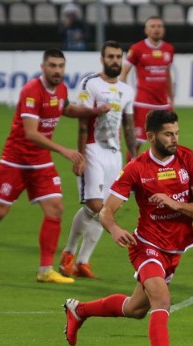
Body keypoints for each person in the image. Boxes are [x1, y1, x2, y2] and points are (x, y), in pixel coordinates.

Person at [63, 110, 193, 346]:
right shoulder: (137, 168)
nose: (174, 139)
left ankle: (79, 311)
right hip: (146, 246)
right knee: (162, 300)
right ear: (152, 136)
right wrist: (116, 229)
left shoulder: (190, 159)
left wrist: (175, 203)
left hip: (175, 248)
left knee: (135, 309)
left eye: (177, 133)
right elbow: (106, 211)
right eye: (169, 134)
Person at [0, 49, 109, 284]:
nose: (57, 70)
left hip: (40, 161)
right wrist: (63, 150)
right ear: (43, 67)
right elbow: (30, 133)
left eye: (61, 66)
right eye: (52, 66)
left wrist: (94, 111)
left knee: (56, 208)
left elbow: (66, 109)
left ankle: (45, 270)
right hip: (16, 160)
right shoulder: (31, 91)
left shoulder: (60, 90)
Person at [59, 41, 137, 279]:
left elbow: (128, 124)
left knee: (107, 209)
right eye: (110, 56)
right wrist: (80, 155)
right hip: (92, 149)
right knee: (95, 206)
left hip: (114, 154)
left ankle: (83, 262)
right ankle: (68, 254)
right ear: (102, 59)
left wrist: (133, 156)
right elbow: (82, 119)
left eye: (118, 57)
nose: (115, 60)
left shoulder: (127, 90)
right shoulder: (90, 83)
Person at [119, 16, 174, 160]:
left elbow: (167, 74)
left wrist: (171, 100)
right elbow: (123, 74)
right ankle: (130, 175)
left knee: (166, 142)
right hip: (143, 103)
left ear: (163, 30)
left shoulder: (169, 49)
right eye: (153, 26)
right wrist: (125, 98)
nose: (156, 29)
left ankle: (160, 174)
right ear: (146, 30)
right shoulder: (137, 49)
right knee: (136, 142)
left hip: (163, 104)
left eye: (159, 26)